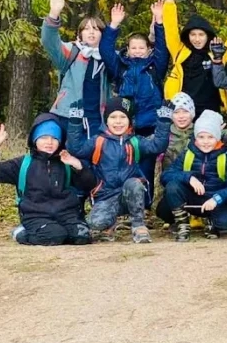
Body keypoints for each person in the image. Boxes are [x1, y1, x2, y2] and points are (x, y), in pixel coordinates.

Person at [67, 97, 173, 243]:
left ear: (130, 120)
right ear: (106, 120)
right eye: (113, 117)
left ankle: (138, 225)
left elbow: (158, 146)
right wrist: (75, 122)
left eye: (123, 117)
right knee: (95, 223)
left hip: (131, 194)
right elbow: (76, 149)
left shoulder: (135, 141)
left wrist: (164, 121)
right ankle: (109, 225)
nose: (118, 122)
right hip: (106, 197)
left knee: (134, 184)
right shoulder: (98, 141)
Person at [0, 116, 96, 246]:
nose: (49, 142)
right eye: (44, 137)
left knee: (82, 237)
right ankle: (21, 233)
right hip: (36, 216)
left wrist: (78, 166)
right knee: (54, 236)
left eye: (54, 138)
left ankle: (63, 233)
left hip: (67, 215)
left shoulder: (66, 162)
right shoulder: (22, 164)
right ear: (34, 139)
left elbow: (89, 185)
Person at [100, 0, 169, 197]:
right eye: (134, 48)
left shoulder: (155, 68)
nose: (137, 51)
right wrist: (113, 25)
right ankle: (121, 200)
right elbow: (106, 51)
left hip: (149, 126)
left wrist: (159, 22)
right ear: (128, 50)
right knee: (124, 164)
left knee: (146, 167)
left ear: (148, 50)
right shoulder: (120, 67)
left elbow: (163, 49)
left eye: (141, 48)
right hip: (125, 126)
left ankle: (145, 202)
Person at [161, 0, 227, 117]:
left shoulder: (216, 53)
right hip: (183, 113)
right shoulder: (179, 51)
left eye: (201, 35)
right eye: (193, 34)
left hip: (210, 112)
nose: (197, 39)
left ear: (208, 36)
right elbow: (170, 26)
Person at [160, 110, 227, 241]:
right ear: (195, 138)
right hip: (191, 198)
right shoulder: (187, 154)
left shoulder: (225, 158)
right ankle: (182, 224)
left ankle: (212, 223)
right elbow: (166, 175)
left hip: (213, 201)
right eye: (201, 137)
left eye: (210, 137)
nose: (205, 142)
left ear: (217, 138)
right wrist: (188, 178)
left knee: (225, 224)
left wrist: (217, 198)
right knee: (171, 189)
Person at [41, 0, 111, 138]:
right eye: (86, 29)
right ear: (80, 34)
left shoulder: (110, 57)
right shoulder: (72, 51)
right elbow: (49, 41)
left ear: (102, 34)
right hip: (68, 116)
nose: (91, 32)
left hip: (98, 119)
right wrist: (53, 14)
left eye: (96, 29)